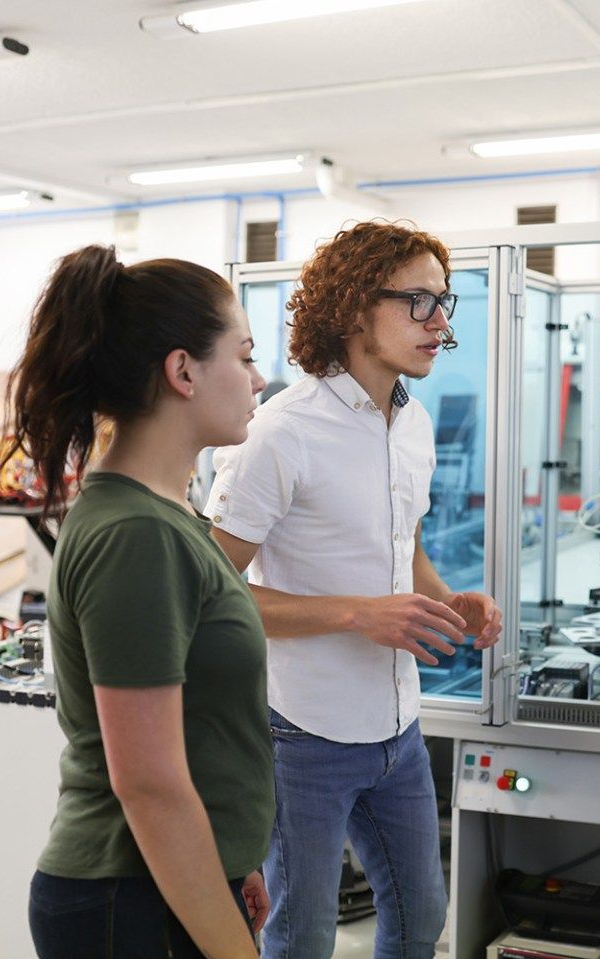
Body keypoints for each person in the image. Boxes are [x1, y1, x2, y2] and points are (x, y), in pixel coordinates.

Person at [207, 221, 503, 959]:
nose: (439, 322)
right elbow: (209, 598)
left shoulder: (415, 422)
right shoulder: (281, 432)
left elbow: (401, 543)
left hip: (398, 728)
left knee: (418, 922)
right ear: (351, 308)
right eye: (417, 300)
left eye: (444, 301)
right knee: (299, 937)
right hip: (300, 733)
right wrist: (356, 614)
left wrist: (444, 596)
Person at [7, 244, 272, 959]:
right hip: (127, 900)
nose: (259, 376)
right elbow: (149, 783)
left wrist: (229, 862)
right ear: (183, 370)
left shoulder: (168, 511)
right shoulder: (136, 534)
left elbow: (195, 727)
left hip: (168, 884)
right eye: (244, 356)